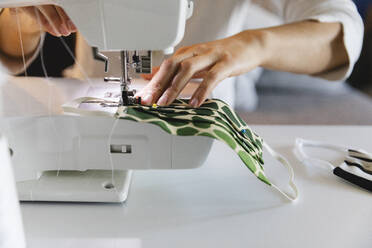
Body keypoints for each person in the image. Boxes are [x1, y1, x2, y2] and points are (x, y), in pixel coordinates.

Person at [0, 0, 364, 108]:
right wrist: (26, 19)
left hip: (202, 101)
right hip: (82, 91)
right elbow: (9, 45)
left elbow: (340, 31)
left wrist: (251, 45)